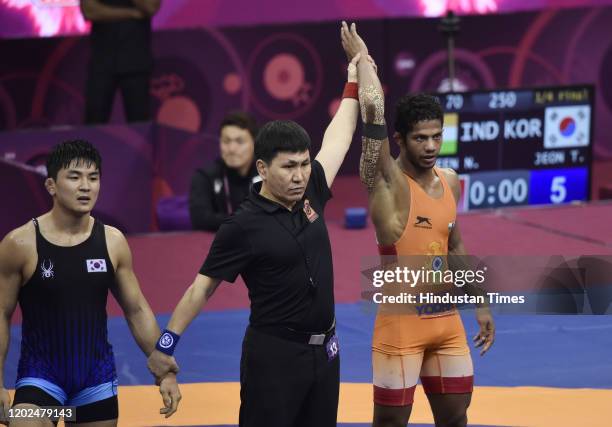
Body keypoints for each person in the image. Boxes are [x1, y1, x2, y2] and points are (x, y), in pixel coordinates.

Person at [146, 27, 368, 427]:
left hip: (326, 352)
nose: (301, 175)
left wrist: (354, 76)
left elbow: (340, 135)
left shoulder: (312, 187)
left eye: (304, 164)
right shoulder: (242, 225)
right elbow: (202, 287)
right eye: (289, 167)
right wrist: (166, 344)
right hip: (274, 357)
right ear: (263, 168)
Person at [343, 24, 496, 426]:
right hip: (400, 327)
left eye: (436, 137)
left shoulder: (450, 181)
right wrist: (363, 63)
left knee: (456, 418)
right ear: (399, 140)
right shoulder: (388, 184)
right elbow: (373, 111)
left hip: (446, 321)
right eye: (419, 139)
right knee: (390, 424)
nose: (430, 147)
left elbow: (456, 246)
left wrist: (479, 302)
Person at [0, 140, 180, 426]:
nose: (86, 186)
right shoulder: (19, 243)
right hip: (39, 379)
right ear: (51, 185)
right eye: (74, 177)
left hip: (95, 381)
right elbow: (1, 313)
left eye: (93, 178)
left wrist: (165, 373)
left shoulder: (113, 241)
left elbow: (136, 309)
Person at [80, 0, 161, 124]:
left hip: (136, 59)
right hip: (101, 60)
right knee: (94, 122)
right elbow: (89, 11)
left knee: (139, 123)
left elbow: (150, 7)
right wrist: (131, 13)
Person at [189, 111, 260, 231]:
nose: (231, 149)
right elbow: (200, 220)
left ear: (255, 143)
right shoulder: (205, 177)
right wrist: (248, 220)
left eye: (240, 141)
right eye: (226, 141)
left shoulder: (267, 176)